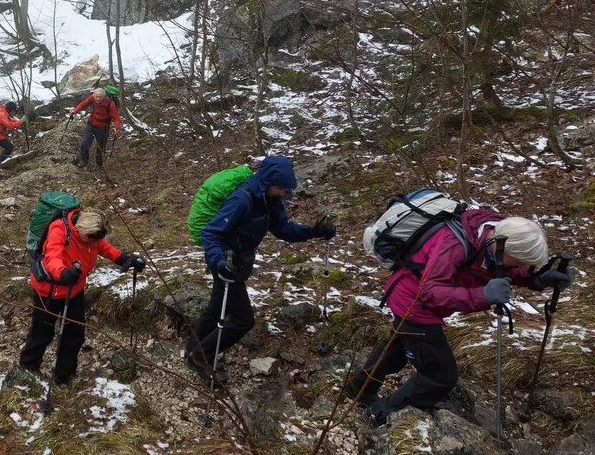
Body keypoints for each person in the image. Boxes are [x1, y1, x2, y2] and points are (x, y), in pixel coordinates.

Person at [344, 213, 569, 426]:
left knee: (398, 349)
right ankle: (377, 415)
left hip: (412, 298)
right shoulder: (454, 244)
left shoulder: (493, 237)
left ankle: (357, 389)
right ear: (503, 247)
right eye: (519, 262)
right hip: (413, 303)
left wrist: (536, 280)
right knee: (440, 376)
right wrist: (482, 295)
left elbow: (502, 268)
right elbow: (430, 291)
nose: (520, 267)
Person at [186, 155, 334, 385]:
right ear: (267, 182)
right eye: (281, 187)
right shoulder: (242, 200)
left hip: (239, 260)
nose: (284, 192)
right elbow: (211, 233)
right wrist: (219, 262)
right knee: (243, 320)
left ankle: (193, 350)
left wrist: (313, 231)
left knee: (216, 308)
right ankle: (200, 357)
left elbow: (283, 229)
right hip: (226, 262)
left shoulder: (268, 200)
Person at [18, 207, 145, 384]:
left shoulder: (91, 234)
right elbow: (52, 256)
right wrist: (62, 272)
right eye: (91, 237)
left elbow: (102, 246)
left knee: (75, 334)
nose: (93, 241)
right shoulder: (59, 229)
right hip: (49, 291)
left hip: (74, 289)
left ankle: (64, 376)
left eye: (96, 237)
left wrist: (123, 259)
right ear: (81, 229)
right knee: (42, 334)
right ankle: (26, 370)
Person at [69, 87, 121, 168]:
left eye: (99, 97)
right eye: (96, 96)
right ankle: (84, 160)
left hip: (103, 127)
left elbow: (116, 118)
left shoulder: (110, 104)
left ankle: (99, 163)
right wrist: (75, 111)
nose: (97, 99)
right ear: (93, 95)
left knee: (101, 146)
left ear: (104, 97)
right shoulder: (92, 98)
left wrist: (116, 127)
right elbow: (84, 103)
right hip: (91, 124)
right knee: (84, 143)